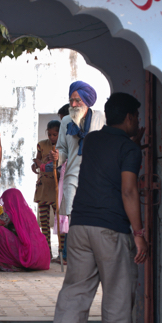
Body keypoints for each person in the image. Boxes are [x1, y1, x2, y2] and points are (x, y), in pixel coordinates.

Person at [51, 92, 149, 323]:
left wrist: (131, 144)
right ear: (130, 118)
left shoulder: (92, 140)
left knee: (74, 293)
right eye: (136, 117)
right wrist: (139, 233)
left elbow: (107, 158)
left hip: (80, 227)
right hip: (111, 229)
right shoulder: (130, 152)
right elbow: (128, 190)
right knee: (117, 295)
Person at [51, 82, 106, 263]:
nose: (73, 105)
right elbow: (63, 149)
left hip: (97, 177)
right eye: (71, 101)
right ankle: (74, 256)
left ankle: (93, 255)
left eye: (77, 100)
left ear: (87, 101)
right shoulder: (66, 121)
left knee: (95, 216)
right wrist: (57, 156)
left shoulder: (101, 118)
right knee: (74, 217)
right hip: (74, 175)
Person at [0, 189, 50, 272]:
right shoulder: (27, 212)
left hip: (27, 255)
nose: (4, 204)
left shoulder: (11, 213)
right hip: (40, 255)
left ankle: (7, 262)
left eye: (5, 201)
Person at [32, 120, 61, 258]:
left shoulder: (63, 147)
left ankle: (62, 251)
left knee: (60, 222)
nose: (52, 137)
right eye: (49, 134)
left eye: (54, 134)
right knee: (44, 224)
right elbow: (37, 161)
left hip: (56, 188)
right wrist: (35, 166)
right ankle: (46, 252)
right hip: (43, 187)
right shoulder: (42, 145)